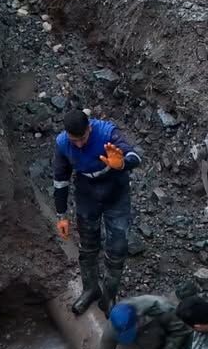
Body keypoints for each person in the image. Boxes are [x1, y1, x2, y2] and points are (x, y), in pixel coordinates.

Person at [52, 109, 142, 315]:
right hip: (87, 194)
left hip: (115, 192)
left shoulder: (107, 133)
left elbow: (134, 155)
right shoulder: (63, 143)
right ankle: (90, 289)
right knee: (88, 245)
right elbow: (60, 179)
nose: (80, 144)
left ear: (89, 128)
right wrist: (61, 215)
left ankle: (109, 296)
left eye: (83, 138)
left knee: (117, 247)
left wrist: (122, 163)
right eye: (74, 140)